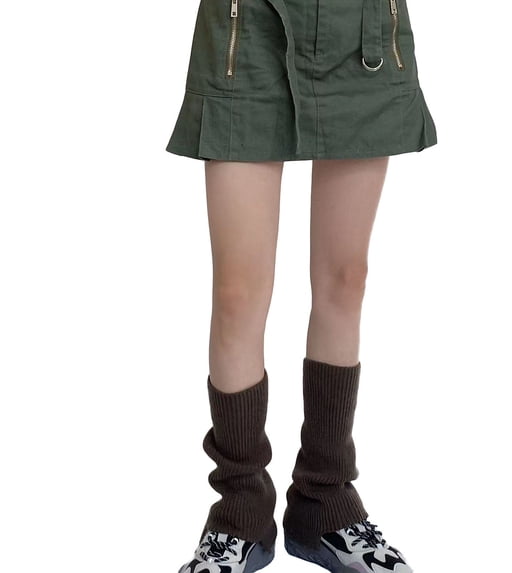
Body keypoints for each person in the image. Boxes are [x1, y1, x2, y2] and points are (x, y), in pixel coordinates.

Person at [166, 0, 437, 571]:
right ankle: (239, 513)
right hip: (244, 31)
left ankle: (325, 502)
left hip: (361, 35)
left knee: (345, 278)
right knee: (237, 292)